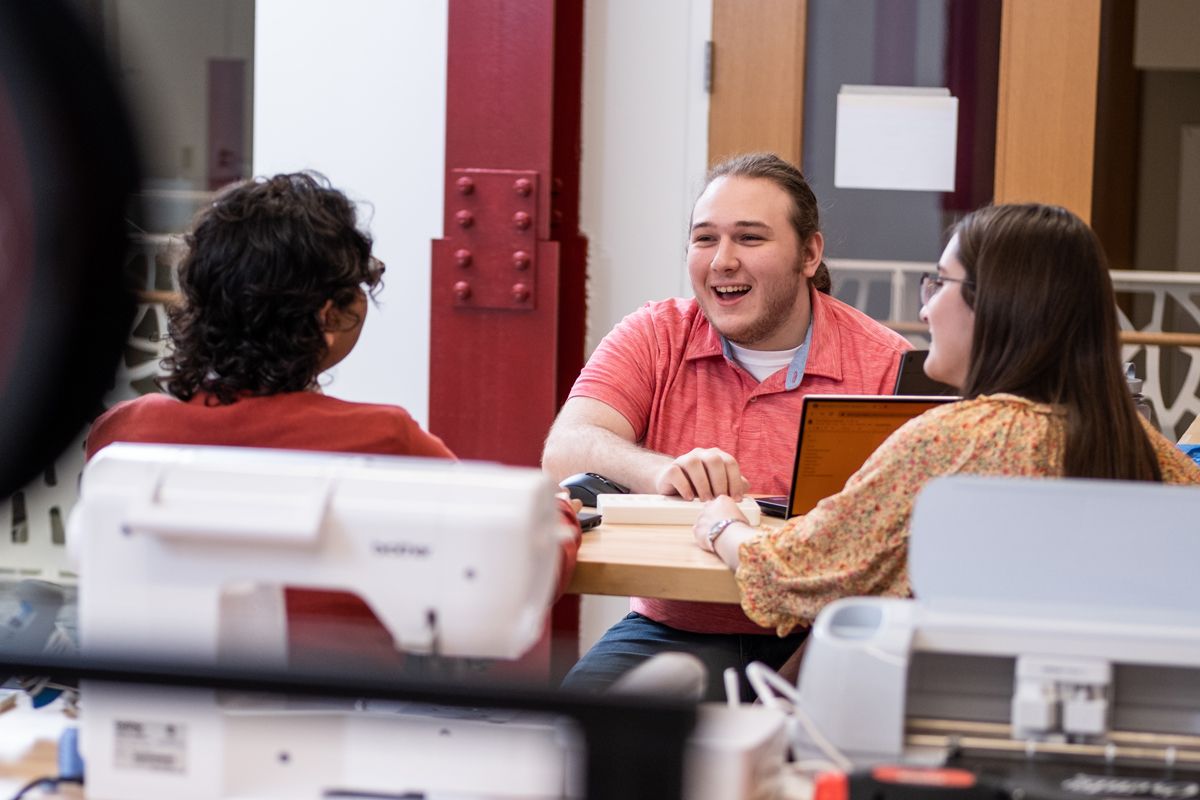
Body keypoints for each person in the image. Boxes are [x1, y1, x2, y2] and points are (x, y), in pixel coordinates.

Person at [86, 171, 581, 668]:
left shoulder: (123, 436)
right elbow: (514, 571)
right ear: (327, 317)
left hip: (157, 716)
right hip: (346, 724)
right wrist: (559, 512)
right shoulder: (384, 441)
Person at [692, 203, 1200, 636]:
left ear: (997, 303)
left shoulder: (949, 443)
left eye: (938, 283)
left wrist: (721, 525)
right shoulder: (1152, 455)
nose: (928, 309)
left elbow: (790, 573)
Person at [542, 153, 912, 698]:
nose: (722, 261)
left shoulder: (884, 364)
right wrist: (663, 471)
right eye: (705, 239)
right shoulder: (656, 333)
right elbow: (566, 447)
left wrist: (794, 687)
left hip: (826, 636)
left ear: (809, 254)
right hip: (675, 629)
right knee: (570, 744)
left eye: (750, 238)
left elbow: (903, 558)